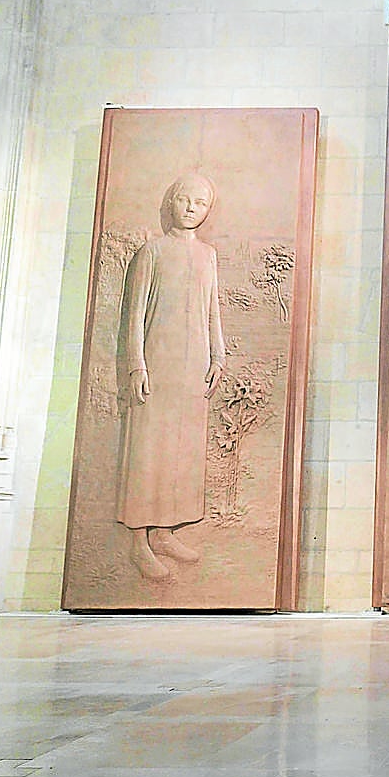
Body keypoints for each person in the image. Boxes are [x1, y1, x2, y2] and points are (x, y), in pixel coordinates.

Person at [117, 173, 225, 580]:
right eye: (184, 199)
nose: (191, 207)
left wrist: (218, 355)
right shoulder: (152, 251)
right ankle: (138, 541)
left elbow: (212, 308)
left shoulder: (208, 255)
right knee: (149, 449)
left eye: (200, 202)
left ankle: (164, 532)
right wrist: (136, 365)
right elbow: (134, 314)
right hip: (157, 364)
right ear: (171, 202)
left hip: (192, 365)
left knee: (180, 449)